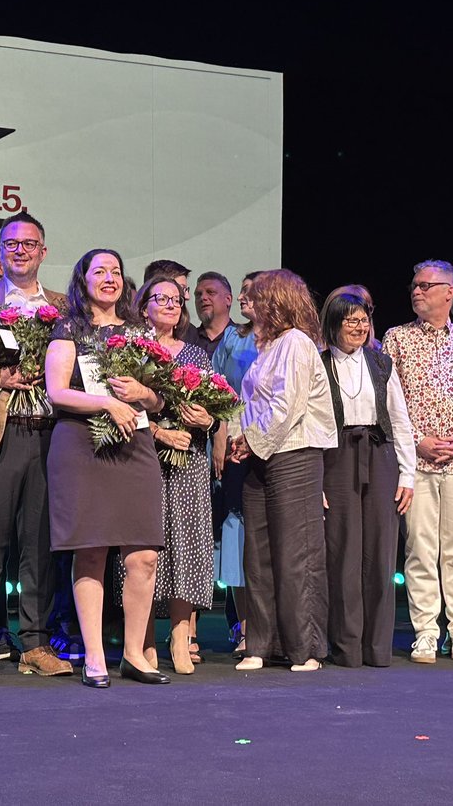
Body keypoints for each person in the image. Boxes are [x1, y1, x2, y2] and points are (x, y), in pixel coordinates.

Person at [46, 249, 167, 687]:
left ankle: (134, 654)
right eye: (100, 271)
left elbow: (160, 398)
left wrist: (144, 394)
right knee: (92, 549)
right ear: (83, 280)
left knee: (145, 555)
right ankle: (94, 656)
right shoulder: (68, 328)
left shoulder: (139, 331)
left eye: (116, 271)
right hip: (82, 444)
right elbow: (56, 391)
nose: (110, 278)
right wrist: (106, 401)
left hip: (133, 442)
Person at [0, 214, 72, 681]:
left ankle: (35, 642)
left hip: (50, 434)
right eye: (11, 244)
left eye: (29, 243)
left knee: (40, 546)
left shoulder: (65, 306)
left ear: (44, 251)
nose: (20, 250)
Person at [382, 260, 453, 665]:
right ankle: (427, 632)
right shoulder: (396, 339)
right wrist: (418, 441)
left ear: (450, 292)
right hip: (417, 465)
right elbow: (387, 406)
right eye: (414, 285)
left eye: (426, 285)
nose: (417, 291)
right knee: (420, 549)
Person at [228, 269, 335, 673]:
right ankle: (262, 643)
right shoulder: (268, 346)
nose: (248, 304)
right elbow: (250, 401)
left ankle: (304, 648)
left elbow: (287, 405)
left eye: (256, 297)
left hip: (294, 455)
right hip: (261, 456)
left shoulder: (296, 343)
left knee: (296, 554)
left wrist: (252, 440)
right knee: (259, 555)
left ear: (277, 301)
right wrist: (241, 437)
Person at [115, 277, 216, 675]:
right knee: (145, 549)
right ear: (143, 307)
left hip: (188, 459)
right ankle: (144, 640)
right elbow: (118, 400)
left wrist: (206, 420)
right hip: (142, 455)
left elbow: (214, 408)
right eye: (162, 299)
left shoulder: (195, 353)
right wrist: (158, 432)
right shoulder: (131, 351)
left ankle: (179, 633)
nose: (171, 305)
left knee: (186, 542)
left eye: (177, 300)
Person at [318, 287, 416, 667]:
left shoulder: (381, 364)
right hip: (336, 458)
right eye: (351, 321)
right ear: (334, 323)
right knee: (342, 553)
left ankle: (376, 648)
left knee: (379, 553)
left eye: (364, 320)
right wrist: (315, 480)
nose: (359, 327)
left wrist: (407, 474)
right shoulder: (319, 363)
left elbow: (400, 421)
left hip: (378, 456)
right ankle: (346, 647)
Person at [211, 271, 263, 655]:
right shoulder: (233, 338)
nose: (243, 298)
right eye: (241, 292)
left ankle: (274, 626)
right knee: (239, 533)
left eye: (250, 292)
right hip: (236, 447)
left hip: (277, 448)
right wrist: (221, 435)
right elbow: (215, 392)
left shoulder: (292, 341)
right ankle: (245, 628)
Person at [193, 271, 235, 357]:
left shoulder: (243, 338)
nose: (203, 298)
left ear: (228, 299)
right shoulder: (188, 339)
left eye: (211, 292)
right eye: (198, 294)